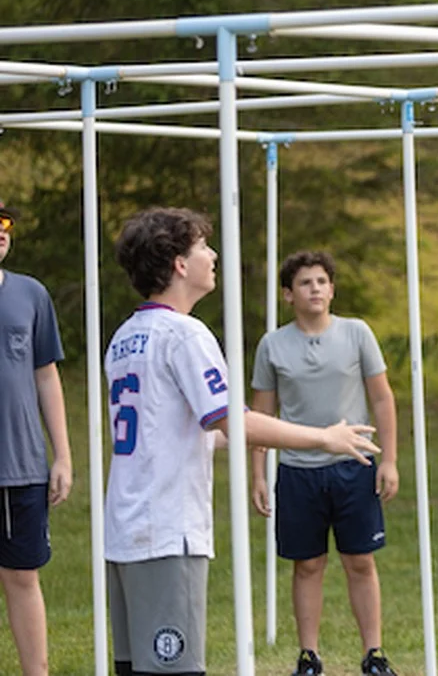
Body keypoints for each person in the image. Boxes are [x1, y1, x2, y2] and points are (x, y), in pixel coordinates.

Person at [104, 207, 379, 676]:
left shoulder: (125, 336)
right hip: (167, 532)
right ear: (179, 264)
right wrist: (323, 437)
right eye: (202, 247)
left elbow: (176, 431)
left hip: (126, 530)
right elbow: (235, 421)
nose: (213, 255)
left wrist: (266, 436)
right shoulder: (185, 335)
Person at [250, 251, 400, 676]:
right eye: (304, 283)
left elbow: (382, 398)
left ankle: (374, 654)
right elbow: (260, 416)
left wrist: (389, 460)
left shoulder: (357, 333)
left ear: (332, 290)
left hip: (354, 466)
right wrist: (257, 475)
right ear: (288, 294)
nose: (314, 289)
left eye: (321, 281)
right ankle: (309, 656)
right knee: (308, 564)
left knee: (360, 561)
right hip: (298, 472)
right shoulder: (272, 345)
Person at [0, 199, 72, 676]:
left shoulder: (30, 294)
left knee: (23, 576)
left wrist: (62, 455)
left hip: (21, 465)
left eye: (4, 222)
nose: (1, 230)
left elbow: (46, 376)